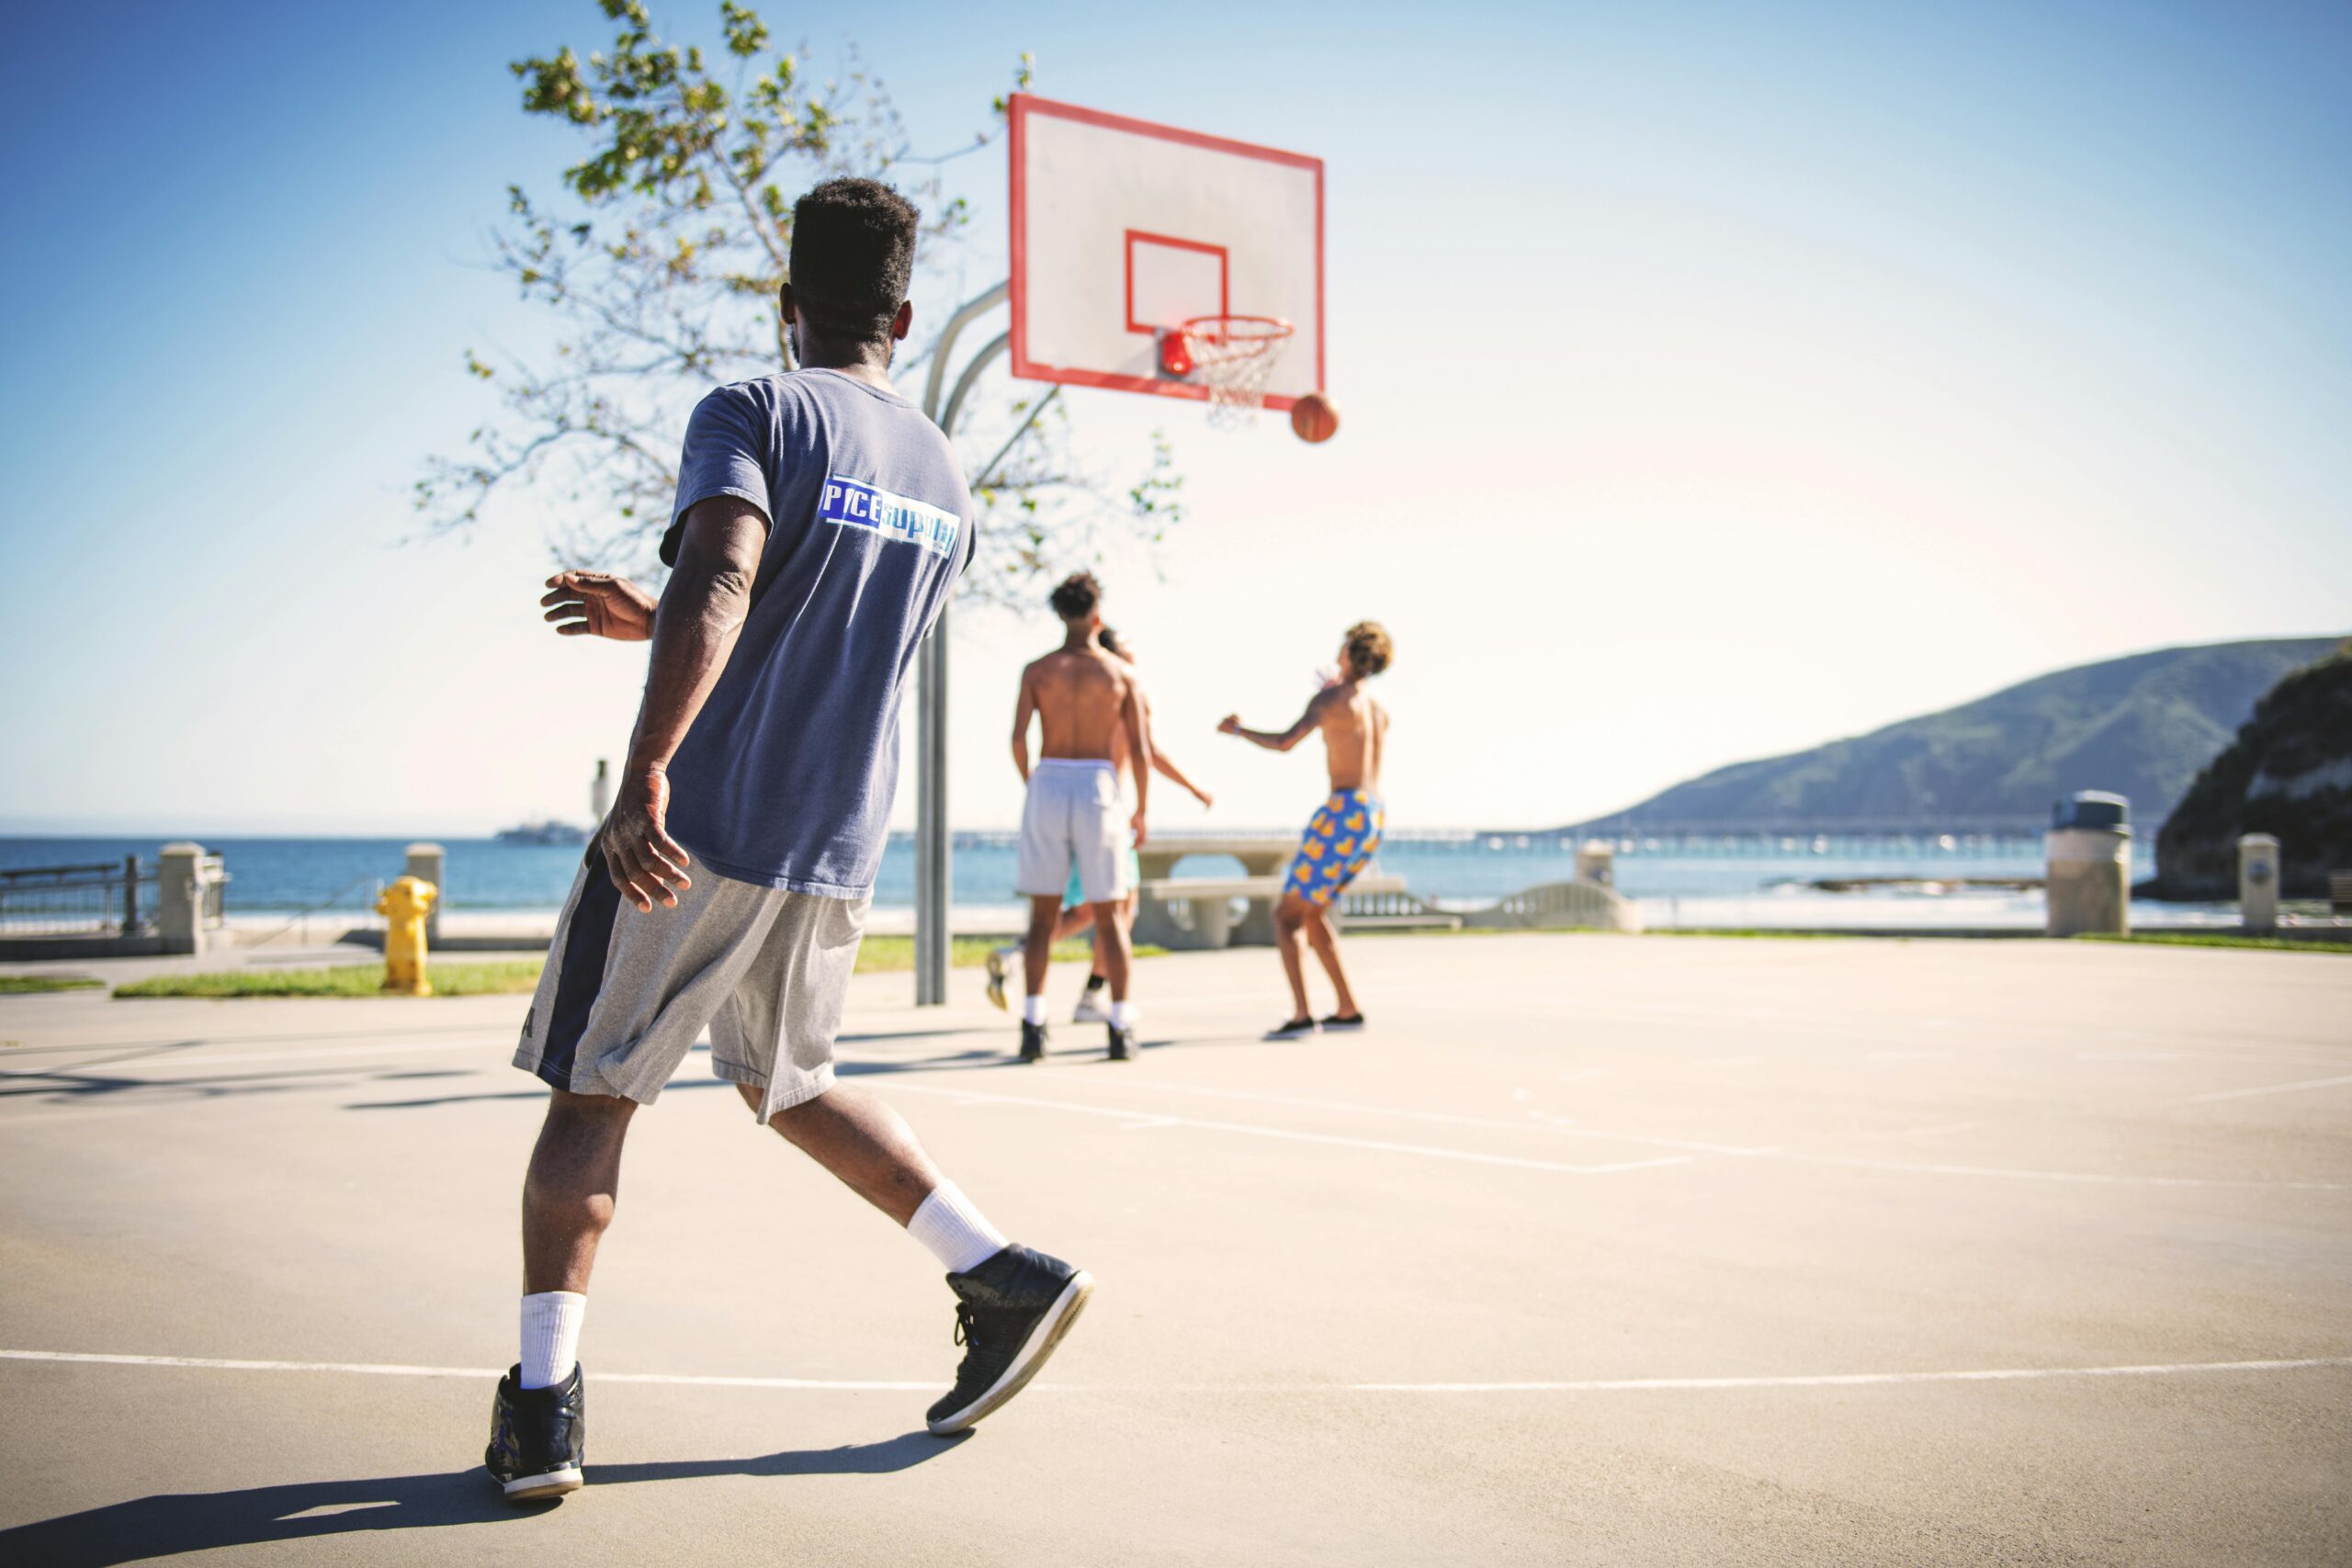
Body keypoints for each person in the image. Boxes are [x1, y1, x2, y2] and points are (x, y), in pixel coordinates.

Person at [499, 178, 1091, 1504]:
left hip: (702, 821)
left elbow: (731, 574)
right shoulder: (946, 471)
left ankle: (542, 1407)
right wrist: (652, 617)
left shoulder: (756, 408)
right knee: (793, 1081)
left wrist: (646, 764)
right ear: (904, 310)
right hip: (832, 839)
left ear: (789, 301)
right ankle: (1002, 1271)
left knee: (594, 1093)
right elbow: (808, 621)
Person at [986, 625, 1213, 1023]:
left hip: (1072, 807)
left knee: (1092, 910)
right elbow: (1149, 752)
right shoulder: (1120, 692)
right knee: (1114, 912)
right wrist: (1189, 790)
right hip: (1104, 814)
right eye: (1128, 650)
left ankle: (1032, 970)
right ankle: (1087, 995)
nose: (1134, 658)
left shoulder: (1083, 689)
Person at [1218, 622, 1394, 1039]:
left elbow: (1284, 741)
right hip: (1372, 815)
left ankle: (1300, 1015)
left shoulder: (1331, 698)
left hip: (1343, 810)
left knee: (1286, 917)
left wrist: (1239, 731)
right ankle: (1347, 1008)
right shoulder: (1377, 708)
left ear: (1351, 652)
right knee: (1312, 912)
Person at [1006, 574, 1149, 1062]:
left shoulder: (1038, 670)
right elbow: (1143, 752)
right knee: (1111, 914)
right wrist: (1142, 809)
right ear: (1096, 612)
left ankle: (1033, 1022)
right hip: (1096, 783)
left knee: (1043, 917)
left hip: (1049, 779)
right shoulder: (1119, 674)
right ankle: (1121, 1025)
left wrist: (1035, 783)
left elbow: (1017, 738)